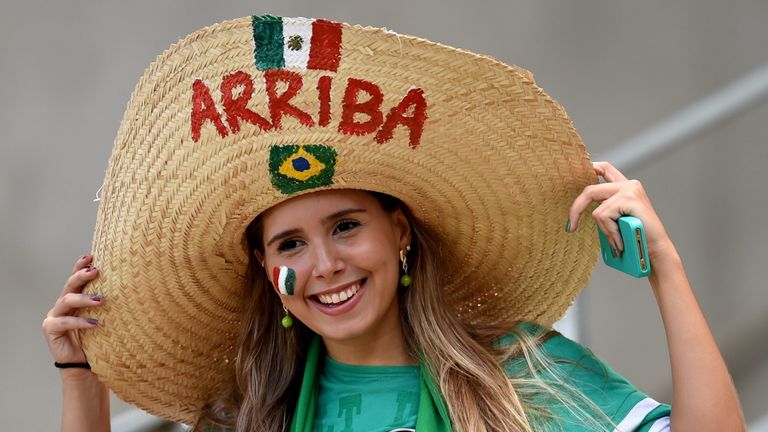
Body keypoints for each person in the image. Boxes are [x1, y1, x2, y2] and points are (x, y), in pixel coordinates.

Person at [42, 15, 744, 432]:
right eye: (290, 243)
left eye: (346, 225)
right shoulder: (248, 418)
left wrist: (668, 272)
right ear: (265, 269)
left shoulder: (517, 374)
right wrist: (82, 377)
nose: (325, 265)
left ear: (400, 231)